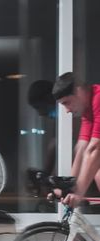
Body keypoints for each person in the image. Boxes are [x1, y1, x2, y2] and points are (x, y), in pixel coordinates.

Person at [52, 72, 100, 207]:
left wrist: (78, 193)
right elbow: (82, 148)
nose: (67, 110)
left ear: (79, 91)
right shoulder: (87, 109)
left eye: (67, 103)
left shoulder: (99, 98)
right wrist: (68, 189)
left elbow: (95, 149)